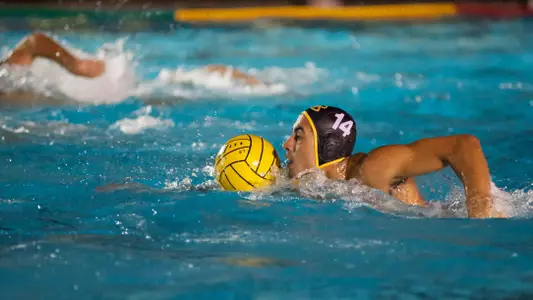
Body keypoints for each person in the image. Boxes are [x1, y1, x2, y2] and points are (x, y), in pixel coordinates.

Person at [282, 105, 506, 219]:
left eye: (298, 136)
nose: (287, 144)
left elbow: (464, 145)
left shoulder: (373, 167)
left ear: (325, 146)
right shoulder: (312, 182)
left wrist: (480, 209)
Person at [0, 32, 263, 105]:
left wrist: (77, 65)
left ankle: (234, 77)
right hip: (83, 97)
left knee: (165, 91)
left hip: (91, 82)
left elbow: (34, 42)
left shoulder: (4, 76)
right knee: (163, 89)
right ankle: (229, 76)